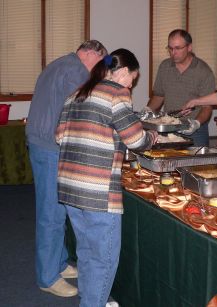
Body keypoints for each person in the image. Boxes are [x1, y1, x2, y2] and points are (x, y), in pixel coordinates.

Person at [56, 49, 157, 307]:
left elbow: (59, 136)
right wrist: (151, 138)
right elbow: (135, 140)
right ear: (122, 72)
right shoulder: (117, 93)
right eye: (132, 79)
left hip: (70, 186)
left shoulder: (77, 93)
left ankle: (90, 299)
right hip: (98, 190)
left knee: (86, 251)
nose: (131, 85)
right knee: (104, 257)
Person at [26, 40, 107, 297]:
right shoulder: (77, 71)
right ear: (92, 54)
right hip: (50, 147)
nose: (99, 70)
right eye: (101, 63)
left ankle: (59, 264)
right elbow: (84, 108)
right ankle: (47, 277)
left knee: (57, 207)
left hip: (41, 143)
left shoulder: (59, 63)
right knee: (52, 213)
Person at [147, 29, 215, 146]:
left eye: (178, 48)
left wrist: (196, 123)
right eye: (170, 48)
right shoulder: (165, 66)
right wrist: (147, 111)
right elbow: (159, 96)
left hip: (195, 130)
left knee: (196, 163)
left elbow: (207, 107)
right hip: (169, 127)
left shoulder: (203, 71)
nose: (173, 52)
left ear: (189, 47)